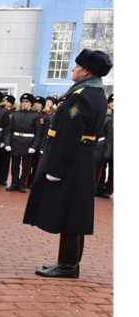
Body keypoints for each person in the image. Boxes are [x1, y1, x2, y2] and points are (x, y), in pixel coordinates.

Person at [24, 49, 113, 279]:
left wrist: (55, 169)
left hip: (72, 160)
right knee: (76, 213)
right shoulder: (95, 93)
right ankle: (69, 263)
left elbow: (67, 136)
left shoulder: (80, 96)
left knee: (71, 215)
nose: (72, 69)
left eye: (77, 66)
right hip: (82, 158)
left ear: (86, 71)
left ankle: (67, 266)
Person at [4, 94, 44, 193]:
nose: (24, 104)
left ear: (31, 103)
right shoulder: (15, 114)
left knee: (26, 166)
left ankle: (23, 184)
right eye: (23, 102)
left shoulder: (36, 115)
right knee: (14, 165)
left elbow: (39, 133)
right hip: (16, 141)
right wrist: (7, 143)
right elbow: (9, 130)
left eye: (26, 102)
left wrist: (34, 147)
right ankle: (14, 183)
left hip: (28, 142)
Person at [95, 93, 114, 198]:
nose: (113, 104)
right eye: (111, 102)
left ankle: (108, 189)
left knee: (112, 171)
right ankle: (100, 187)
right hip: (105, 146)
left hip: (112, 146)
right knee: (101, 168)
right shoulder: (106, 116)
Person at [0, 95, 16, 186]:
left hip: (9, 139)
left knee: (6, 160)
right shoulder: (2, 111)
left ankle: (3, 178)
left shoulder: (13, 112)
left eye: (8, 101)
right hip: (0, 137)